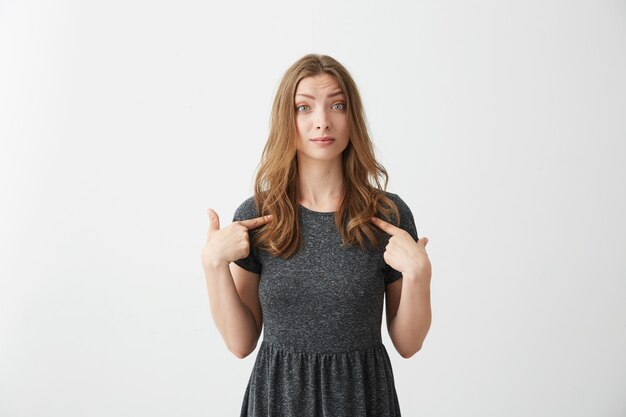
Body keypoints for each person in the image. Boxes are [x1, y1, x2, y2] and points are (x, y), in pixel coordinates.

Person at [201, 53, 432, 417]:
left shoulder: (387, 216)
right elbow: (240, 342)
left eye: (336, 105)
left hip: (362, 399)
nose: (322, 122)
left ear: (352, 118)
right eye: (304, 108)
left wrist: (419, 276)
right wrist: (213, 265)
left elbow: (409, 343)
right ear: (286, 119)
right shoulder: (257, 216)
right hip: (279, 400)